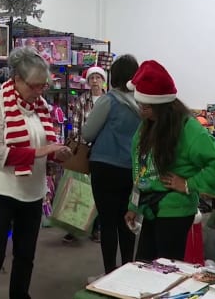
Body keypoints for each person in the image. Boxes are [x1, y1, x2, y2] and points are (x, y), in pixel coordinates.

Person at [0, 47, 72, 299]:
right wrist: (40, 151)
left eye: (42, 86)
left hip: (32, 192)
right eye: (34, 86)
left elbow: (42, 142)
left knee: (26, 256)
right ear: (16, 79)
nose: (38, 92)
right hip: (1, 191)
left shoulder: (40, 106)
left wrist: (55, 153)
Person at [124, 60, 215, 261]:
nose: (141, 110)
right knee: (144, 266)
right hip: (150, 210)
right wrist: (134, 206)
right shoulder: (147, 125)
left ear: (162, 105)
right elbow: (141, 169)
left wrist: (188, 184)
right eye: (140, 104)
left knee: (166, 271)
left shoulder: (188, 129)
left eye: (146, 107)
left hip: (175, 212)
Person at [81, 55, 140, 274]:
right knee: (128, 220)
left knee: (107, 222)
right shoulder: (142, 104)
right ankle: (127, 268)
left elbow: (88, 133)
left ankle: (109, 273)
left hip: (104, 166)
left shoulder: (109, 100)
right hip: (131, 169)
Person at [62, 66, 107, 244]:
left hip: (103, 151)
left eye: (98, 77)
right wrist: (78, 146)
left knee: (99, 190)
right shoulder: (82, 100)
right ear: (88, 82)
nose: (95, 81)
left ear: (103, 80)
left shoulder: (109, 100)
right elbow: (76, 125)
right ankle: (74, 229)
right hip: (84, 149)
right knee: (78, 189)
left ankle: (97, 228)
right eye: (92, 78)